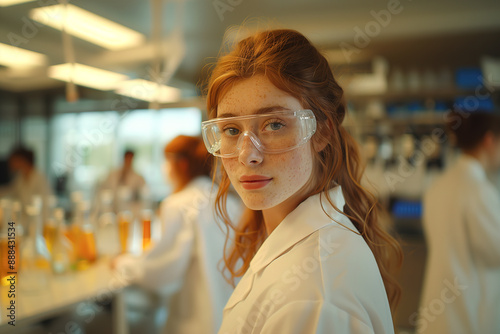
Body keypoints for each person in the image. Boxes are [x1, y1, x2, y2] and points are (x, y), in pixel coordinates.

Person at [201, 29, 402, 334]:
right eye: (230, 130)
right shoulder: (296, 250)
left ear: (321, 132)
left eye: (274, 124)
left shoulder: (313, 296)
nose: (247, 155)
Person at [114, 135, 241, 334]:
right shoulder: (228, 201)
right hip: (232, 318)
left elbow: (160, 271)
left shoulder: (179, 204)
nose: (165, 169)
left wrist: (124, 263)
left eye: (167, 161)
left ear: (181, 164)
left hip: (197, 323)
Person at [417, 110, 500, 334]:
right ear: (489, 140)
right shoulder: (478, 191)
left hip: (438, 316)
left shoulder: (438, 186)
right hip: (469, 317)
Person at [2, 146, 53, 210]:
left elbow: (46, 204)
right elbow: (11, 191)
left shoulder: (39, 178)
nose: (10, 164)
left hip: (38, 217)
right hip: (24, 217)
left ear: (22, 160)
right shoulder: (20, 177)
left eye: (13, 160)